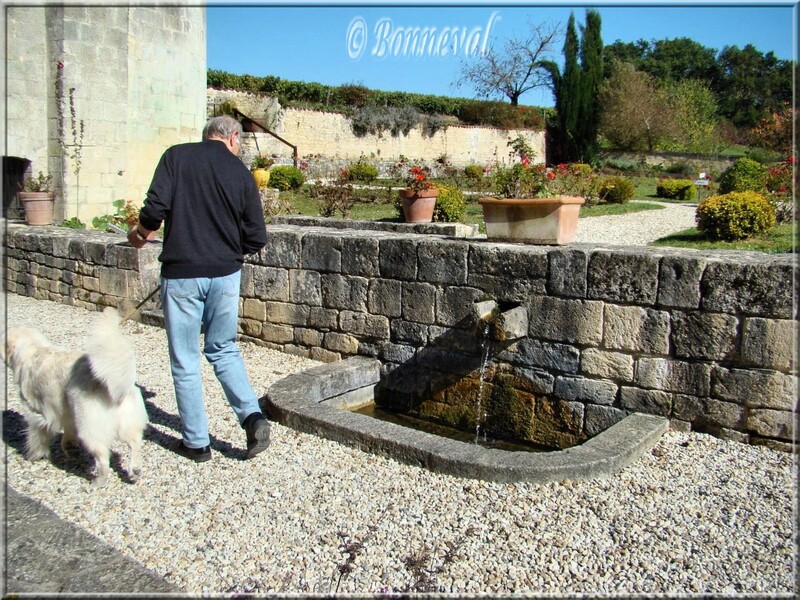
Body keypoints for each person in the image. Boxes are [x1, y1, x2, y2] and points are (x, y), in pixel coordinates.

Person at [127, 115, 269, 463]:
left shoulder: (176, 156)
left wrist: (139, 236)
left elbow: (155, 210)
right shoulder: (240, 173)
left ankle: (196, 442)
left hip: (182, 273)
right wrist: (227, 251)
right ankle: (252, 416)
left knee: (186, 357)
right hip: (225, 275)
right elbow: (256, 237)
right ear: (233, 138)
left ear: (209, 135)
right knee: (223, 349)